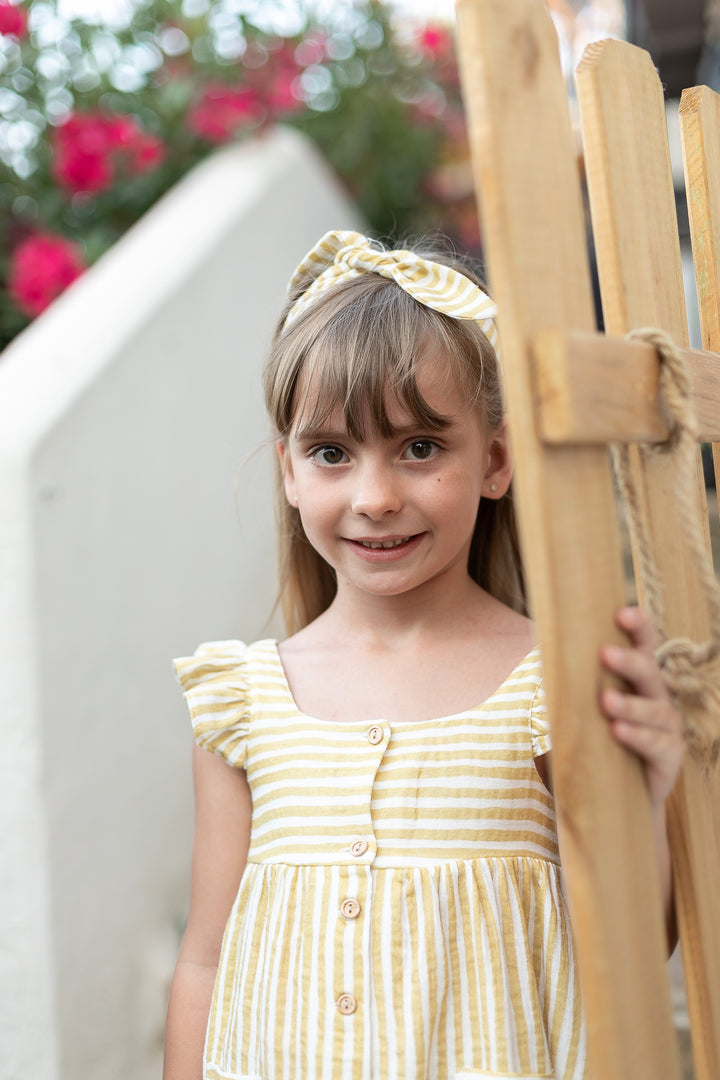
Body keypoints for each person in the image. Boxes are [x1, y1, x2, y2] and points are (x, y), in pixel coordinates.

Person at [163, 231, 683, 1080]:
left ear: (496, 460)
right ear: (288, 472)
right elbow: (206, 959)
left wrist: (653, 800)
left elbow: (633, 944)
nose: (375, 497)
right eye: (331, 453)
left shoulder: (551, 685)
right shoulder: (243, 701)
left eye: (420, 448)